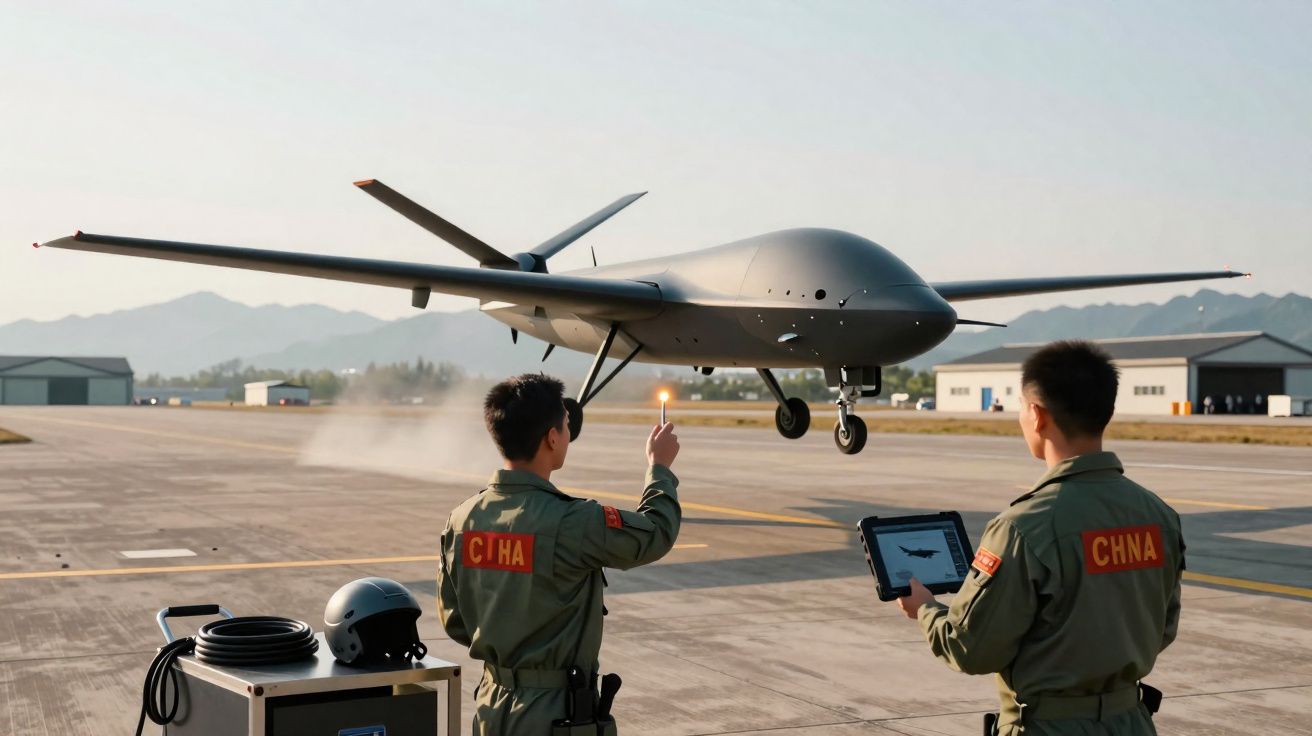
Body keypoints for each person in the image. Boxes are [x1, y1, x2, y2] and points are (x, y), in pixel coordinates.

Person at [890, 341, 1185, 735]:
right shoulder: (1158, 515)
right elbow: (1162, 627)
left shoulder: (1023, 527)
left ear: (1037, 414)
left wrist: (926, 610)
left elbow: (970, 649)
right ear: (1106, 411)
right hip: (1131, 722)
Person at [436, 374, 682, 735]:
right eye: (566, 426)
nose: (567, 435)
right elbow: (656, 533)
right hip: (556, 714)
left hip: (491, 706)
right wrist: (659, 469)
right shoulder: (572, 521)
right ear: (552, 437)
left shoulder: (462, 519)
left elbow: (456, 622)